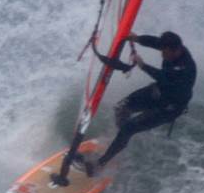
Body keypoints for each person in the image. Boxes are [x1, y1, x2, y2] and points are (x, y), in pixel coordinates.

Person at [76, 30, 196, 175]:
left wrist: (143, 66)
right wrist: (137, 38)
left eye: (165, 52)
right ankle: (122, 139)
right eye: (162, 50)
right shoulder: (171, 47)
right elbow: (155, 42)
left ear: (175, 51)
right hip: (158, 92)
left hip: (170, 107)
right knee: (121, 108)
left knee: (128, 128)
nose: (162, 54)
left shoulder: (186, 68)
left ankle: (100, 164)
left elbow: (164, 78)